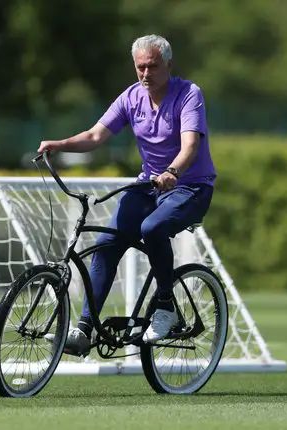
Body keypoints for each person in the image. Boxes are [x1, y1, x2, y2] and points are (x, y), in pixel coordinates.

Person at [39, 34, 216, 356]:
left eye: (153, 66)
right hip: (148, 185)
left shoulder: (189, 94)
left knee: (152, 229)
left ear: (169, 65)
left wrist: (172, 173)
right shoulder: (132, 97)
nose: (146, 74)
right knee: (106, 245)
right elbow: (95, 135)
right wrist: (59, 144)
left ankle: (166, 307)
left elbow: (190, 145)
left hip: (191, 186)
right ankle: (83, 330)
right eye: (140, 67)